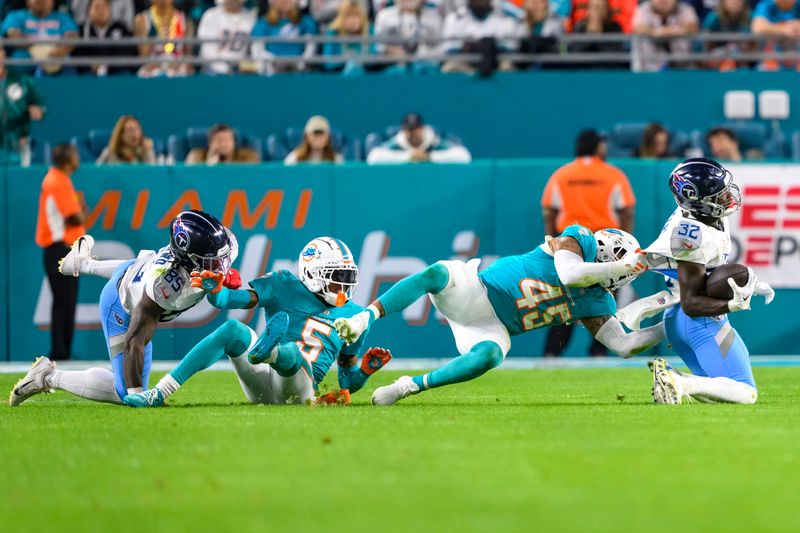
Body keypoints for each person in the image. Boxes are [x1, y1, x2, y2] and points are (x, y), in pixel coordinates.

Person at [333, 226, 654, 405]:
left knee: (491, 354)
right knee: (436, 273)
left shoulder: (598, 301)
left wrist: (671, 327)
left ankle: (409, 386)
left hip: (491, 325)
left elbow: (624, 345)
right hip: (474, 289)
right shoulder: (578, 239)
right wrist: (623, 266)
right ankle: (367, 316)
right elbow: (571, 275)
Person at [123, 237, 392, 407]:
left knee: (296, 355)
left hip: (300, 393)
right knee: (233, 330)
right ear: (312, 273)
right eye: (336, 277)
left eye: (347, 278)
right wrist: (215, 292)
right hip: (264, 382)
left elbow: (347, 383)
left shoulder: (355, 315)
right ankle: (158, 393)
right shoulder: (283, 284)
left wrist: (366, 372)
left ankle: (271, 351)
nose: (343, 286)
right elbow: (229, 300)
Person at [10, 211, 240, 406]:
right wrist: (136, 394)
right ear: (187, 258)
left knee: (133, 269)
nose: (221, 265)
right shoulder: (165, 286)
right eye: (211, 261)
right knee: (125, 392)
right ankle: (48, 376)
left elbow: (137, 269)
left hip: (135, 270)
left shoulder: (220, 242)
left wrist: (220, 275)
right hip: (121, 309)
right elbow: (134, 340)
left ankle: (81, 263)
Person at [644, 159, 774, 404]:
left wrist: (752, 285)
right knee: (745, 392)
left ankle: (671, 378)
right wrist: (732, 305)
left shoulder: (704, 215)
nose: (727, 197)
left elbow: (712, 272)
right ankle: (681, 383)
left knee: (716, 392)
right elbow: (692, 303)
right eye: (718, 194)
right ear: (695, 199)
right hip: (698, 321)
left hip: (681, 321)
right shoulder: (691, 233)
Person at [540, 129, 636, 357]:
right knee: (605, 298)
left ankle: (552, 353)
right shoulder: (613, 174)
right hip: (604, 244)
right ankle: (599, 351)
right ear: (599, 147)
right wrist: (625, 245)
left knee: (567, 296)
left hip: (571, 243)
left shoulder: (562, 174)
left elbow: (548, 210)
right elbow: (627, 211)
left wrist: (555, 243)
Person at [34, 144, 86, 362]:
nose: (78, 158)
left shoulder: (58, 179)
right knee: (64, 302)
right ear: (67, 157)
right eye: (75, 154)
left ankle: (62, 352)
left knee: (65, 302)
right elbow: (76, 217)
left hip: (62, 249)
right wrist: (81, 209)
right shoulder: (58, 180)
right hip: (59, 250)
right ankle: (59, 353)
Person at [440, 0, 521, 73]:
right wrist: (470, 49)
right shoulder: (455, 18)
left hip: (495, 64)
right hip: (465, 65)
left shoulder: (505, 18)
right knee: (450, 66)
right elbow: (450, 51)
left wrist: (492, 49)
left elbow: (509, 50)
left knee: (507, 65)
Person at [1, 0, 79, 75]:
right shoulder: (15, 16)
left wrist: (61, 50)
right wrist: (39, 50)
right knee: (18, 62)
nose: (41, 1)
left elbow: (71, 36)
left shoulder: (63, 17)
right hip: (26, 56)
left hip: (57, 56)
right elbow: (13, 35)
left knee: (69, 65)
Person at [0, 46, 46, 166]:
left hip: (18, 142)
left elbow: (40, 106)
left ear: (4, 53)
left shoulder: (22, 80)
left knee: (19, 179)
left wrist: (38, 111)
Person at [367, 113, 472, 164]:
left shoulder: (435, 141)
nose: (413, 133)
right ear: (404, 130)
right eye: (409, 129)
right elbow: (373, 157)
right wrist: (409, 157)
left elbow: (464, 156)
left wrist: (429, 157)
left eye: (416, 129)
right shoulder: (397, 142)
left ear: (422, 128)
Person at [250, 0, 318, 74]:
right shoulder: (262, 23)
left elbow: (311, 48)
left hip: (299, 72)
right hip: (271, 71)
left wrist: (299, 63)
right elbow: (257, 50)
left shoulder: (306, 22)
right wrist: (273, 61)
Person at [373, 0, 443, 71]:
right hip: (394, 68)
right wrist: (390, 51)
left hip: (427, 68)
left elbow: (440, 48)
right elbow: (380, 47)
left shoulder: (434, 16)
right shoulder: (384, 16)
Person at [73, 0, 137, 75]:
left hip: (116, 71)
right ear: (89, 11)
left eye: (104, 7)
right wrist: (91, 64)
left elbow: (128, 51)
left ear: (110, 9)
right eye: (97, 7)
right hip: (89, 72)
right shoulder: (82, 30)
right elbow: (78, 53)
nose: (101, 11)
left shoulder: (121, 28)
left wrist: (109, 64)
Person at [632, 0, 699, 71]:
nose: (663, 0)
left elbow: (693, 27)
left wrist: (678, 31)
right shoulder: (643, 9)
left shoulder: (685, 8)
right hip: (651, 69)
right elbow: (638, 28)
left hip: (682, 68)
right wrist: (656, 32)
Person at [134, 0, 194, 77]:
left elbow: (189, 54)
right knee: (146, 72)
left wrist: (177, 66)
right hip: (153, 67)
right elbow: (144, 55)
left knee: (186, 70)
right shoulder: (142, 19)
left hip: (177, 66)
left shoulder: (185, 20)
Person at [197, 0, 257, 75]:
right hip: (213, 70)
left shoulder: (251, 18)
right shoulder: (210, 16)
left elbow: (254, 50)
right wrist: (224, 69)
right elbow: (207, 50)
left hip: (240, 71)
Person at [321, 0, 373, 73]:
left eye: (356, 16)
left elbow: (374, 58)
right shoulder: (333, 32)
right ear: (342, 18)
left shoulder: (369, 31)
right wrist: (345, 62)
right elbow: (329, 63)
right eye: (349, 16)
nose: (353, 21)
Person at [702, 0, 753, 70]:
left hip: (742, 58)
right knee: (731, 49)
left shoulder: (750, 17)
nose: (735, 2)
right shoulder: (714, 18)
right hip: (717, 58)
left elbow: (752, 44)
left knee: (735, 50)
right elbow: (706, 44)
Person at [751, 0, 800, 70]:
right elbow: (757, 27)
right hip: (770, 64)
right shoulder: (767, 5)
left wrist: (796, 26)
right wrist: (783, 29)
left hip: (796, 61)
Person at [185, 124, 260, 164]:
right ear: (210, 143)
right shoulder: (196, 155)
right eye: (219, 140)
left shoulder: (249, 156)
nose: (223, 144)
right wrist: (209, 163)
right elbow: (190, 175)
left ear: (234, 142)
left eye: (227, 140)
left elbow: (251, 175)